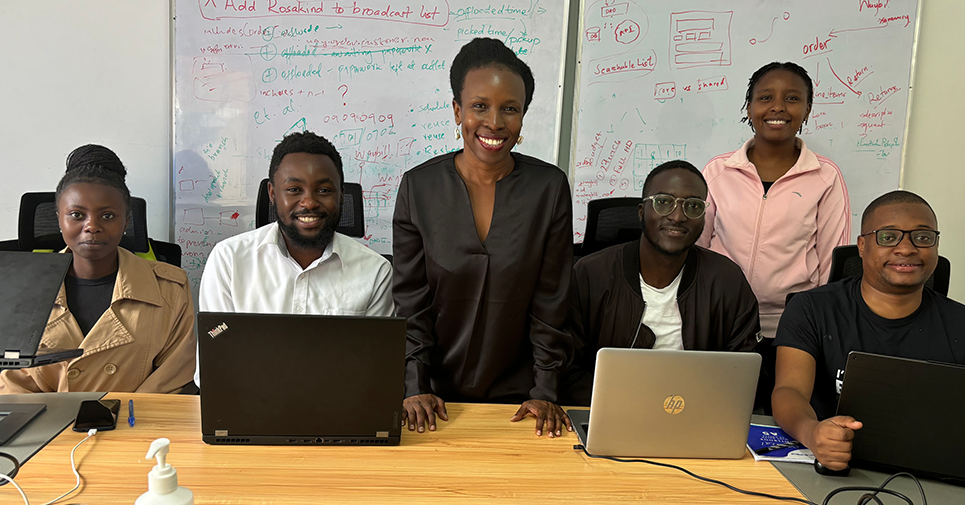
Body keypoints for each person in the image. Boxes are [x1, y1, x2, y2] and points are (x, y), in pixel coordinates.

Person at [393, 37, 574, 438]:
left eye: (510, 108)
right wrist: (414, 387)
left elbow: (552, 302)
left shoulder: (549, 188)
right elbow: (411, 304)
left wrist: (544, 391)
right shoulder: (418, 189)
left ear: (523, 116)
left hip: (522, 404)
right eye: (479, 106)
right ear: (458, 111)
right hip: (435, 402)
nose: (494, 122)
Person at [772, 191, 965, 470]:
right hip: (832, 466)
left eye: (923, 237)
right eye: (888, 237)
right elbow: (789, 390)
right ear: (862, 245)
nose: (906, 249)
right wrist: (812, 433)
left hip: (935, 475)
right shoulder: (811, 309)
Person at [698, 62, 850, 408]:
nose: (778, 107)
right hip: (722, 323)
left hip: (791, 329)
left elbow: (832, 262)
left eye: (792, 98)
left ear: (807, 109)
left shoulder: (824, 177)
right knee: (716, 414)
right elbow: (697, 248)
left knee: (778, 423)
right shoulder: (718, 171)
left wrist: (816, 326)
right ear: (749, 107)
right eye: (766, 97)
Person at [197, 131, 393, 384]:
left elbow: (376, 369)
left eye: (323, 189)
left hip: (339, 410)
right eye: (294, 189)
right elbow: (215, 357)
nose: (309, 202)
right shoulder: (229, 260)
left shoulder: (375, 271)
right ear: (272, 193)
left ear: (341, 195)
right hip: (249, 408)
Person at [561, 161, 762, 406]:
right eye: (664, 202)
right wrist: (625, 406)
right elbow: (567, 369)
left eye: (693, 206)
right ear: (641, 211)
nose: (678, 217)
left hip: (694, 418)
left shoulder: (726, 281)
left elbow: (740, 374)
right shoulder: (591, 274)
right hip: (607, 413)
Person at [0, 145, 196, 393]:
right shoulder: (18, 287)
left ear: (126, 221)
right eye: (76, 214)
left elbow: (174, 380)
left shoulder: (170, 287)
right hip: (42, 426)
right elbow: (10, 385)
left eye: (107, 216)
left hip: (136, 426)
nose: (91, 226)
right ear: (59, 218)